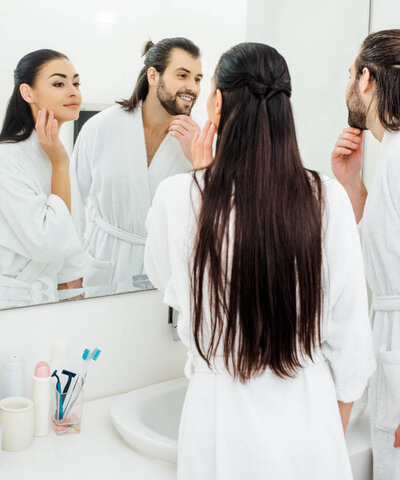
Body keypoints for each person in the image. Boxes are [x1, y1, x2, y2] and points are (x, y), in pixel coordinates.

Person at [144, 42, 375, 480]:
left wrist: (200, 181)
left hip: (218, 424)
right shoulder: (328, 199)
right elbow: (351, 347)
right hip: (310, 421)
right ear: (285, 107)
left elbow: (166, 281)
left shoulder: (179, 198)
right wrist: (326, 437)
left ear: (216, 104)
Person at [71, 37, 203, 296]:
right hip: (106, 266)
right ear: (153, 75)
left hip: (168, 273)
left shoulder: (200, 140)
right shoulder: (101, 127)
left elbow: (220, 214)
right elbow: (74, 198)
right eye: (183, 75)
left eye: (198, 79)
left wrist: (199, 162)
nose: (192, 87)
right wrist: (70, 270)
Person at [332, 29, 400, 480]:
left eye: (350, 74)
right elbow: (381, 252)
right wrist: (353, 184)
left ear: (367, 79)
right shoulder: (390, 153)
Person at [0, 49, 87, 308]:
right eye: (59, 83)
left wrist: (72, 284)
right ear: (27, 93)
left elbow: (72, 231)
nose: (73, 91)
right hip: (13, 304)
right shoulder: (7, 157)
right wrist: (60, 165)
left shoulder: (57, 152)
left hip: (50, 300)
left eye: (76, 82)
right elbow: (49, 242)